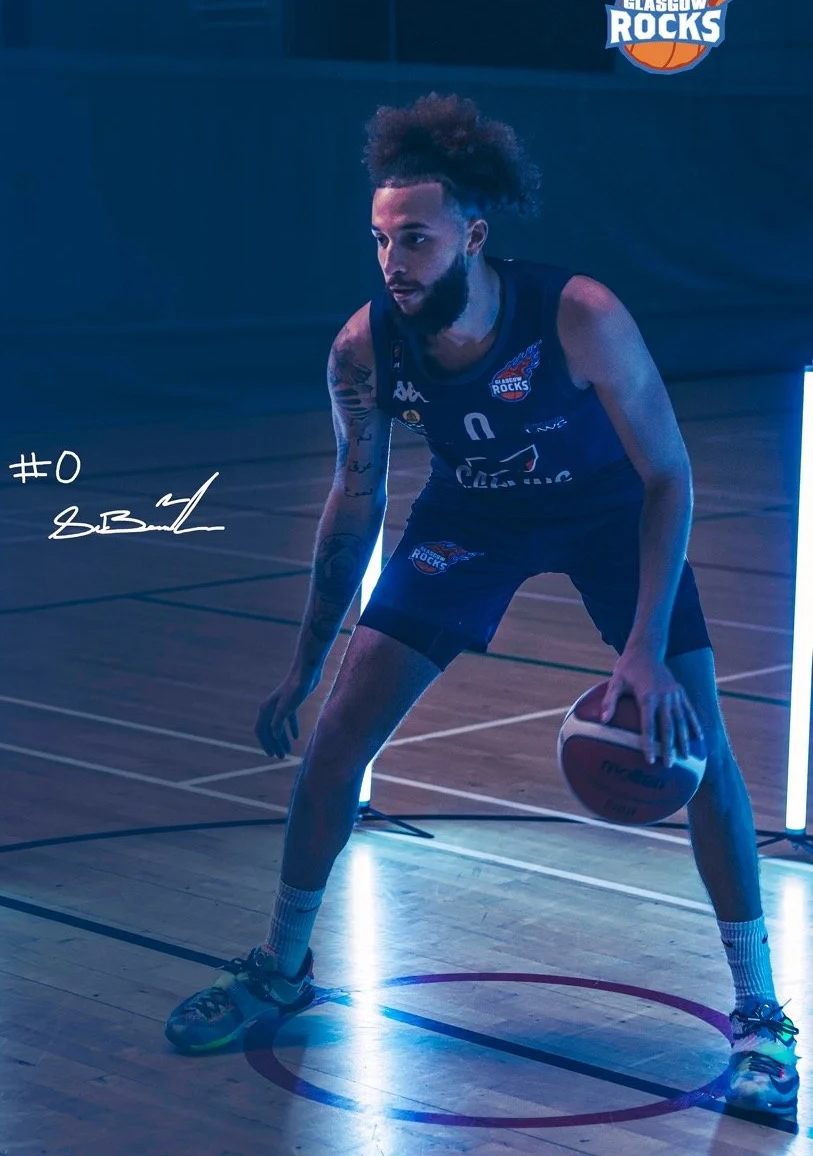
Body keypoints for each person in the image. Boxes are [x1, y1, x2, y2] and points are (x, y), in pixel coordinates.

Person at [165, 93, 798, 1115]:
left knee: (701, 746)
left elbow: (670, 475)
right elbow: (354, 502)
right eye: (379, 239)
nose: (393, 259)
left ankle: (763, 1012)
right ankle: (279, 967)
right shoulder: (363, 350)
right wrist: (305, 660)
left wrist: (640, 647)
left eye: (414, 236)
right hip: (473, 519)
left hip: (607, 515)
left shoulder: (577, 313)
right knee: (336, 742)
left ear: (473, 232)